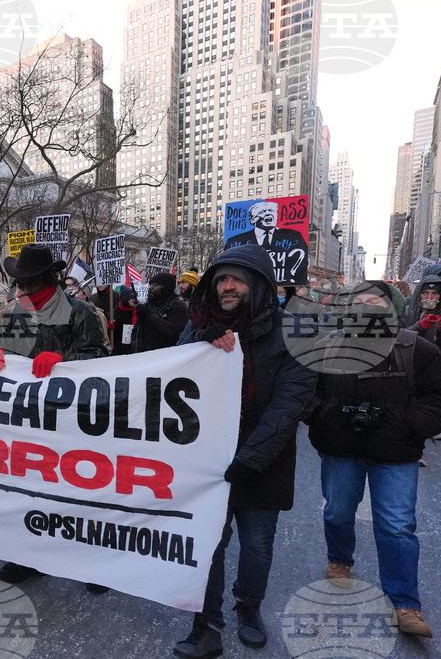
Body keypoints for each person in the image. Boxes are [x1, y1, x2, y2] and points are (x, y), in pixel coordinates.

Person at [171, 245, 315, 659]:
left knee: (257, 544)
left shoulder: (292, 332)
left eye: (236, 279)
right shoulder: (198, 324)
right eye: (220, 280)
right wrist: (200, 342)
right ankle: (207, 625)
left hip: (261, 462)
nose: (227, 287)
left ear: (258, 285)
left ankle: (248, 606)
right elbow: (171, 369)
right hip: (209, 460)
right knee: (210, 543)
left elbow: (292, 404)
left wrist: (251, 458)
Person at [305, 281, 441, 638]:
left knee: (397, 525)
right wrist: (327, 416)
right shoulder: (327, 345)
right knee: (337, 511)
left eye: (374, 301)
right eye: (359, 302)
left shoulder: (414, 349)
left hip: (395, 453)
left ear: (391, 307)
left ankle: (406, 603)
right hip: (340, 448)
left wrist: (407, 425)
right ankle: (339, 561)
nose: (366, 307)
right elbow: (305, 392)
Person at [0, 244, 107, 587]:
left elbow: (100, 363)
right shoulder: (16, 314)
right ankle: (30, 556)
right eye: (19, 284)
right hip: (29, 421)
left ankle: (91, 562)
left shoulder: (82, 312)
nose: (22, 291)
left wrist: (63, 364)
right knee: (29, 493)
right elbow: (6, 354)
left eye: (30, 284)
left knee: (80, 495)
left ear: (48, 280)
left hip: (73, 423)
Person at [134, 272, 189, 353]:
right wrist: (136, 344)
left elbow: (174, 332)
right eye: (150, 284)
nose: (150, 288)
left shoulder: (178, 306)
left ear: (166, 288)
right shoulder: (149, 305)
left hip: (165, 356)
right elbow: (137, 330)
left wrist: (148, 314)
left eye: (155, 285)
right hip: (144, 355)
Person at [110, 285, 139, 356]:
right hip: (120, 349)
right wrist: (111, 329)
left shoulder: (140, 311)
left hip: (135, 348)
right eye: (132, 298)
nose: (136, 300)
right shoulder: (116, 312)